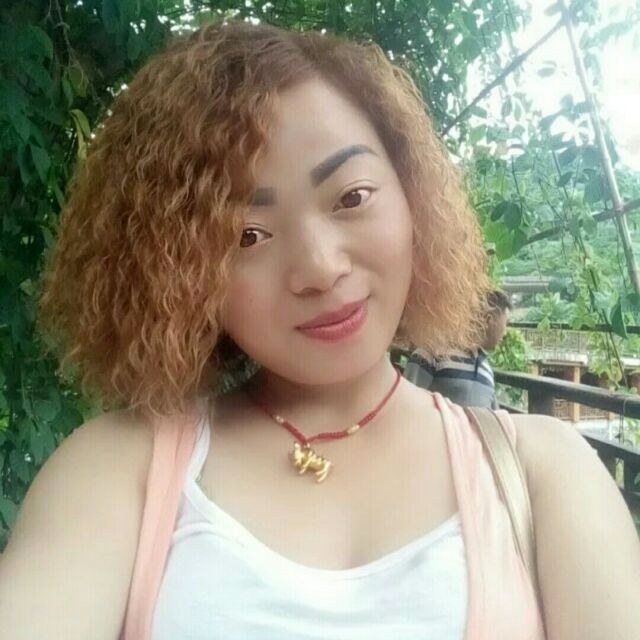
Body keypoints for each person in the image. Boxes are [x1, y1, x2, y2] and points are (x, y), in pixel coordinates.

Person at [1, 19, 639, 640]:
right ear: (179, 271)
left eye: (351, 197)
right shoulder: (120, 469)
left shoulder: (543, 474)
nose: (320, 267)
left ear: (412, 194)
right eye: (245, 236)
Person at [404, 289, 512, 409]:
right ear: (488, 319)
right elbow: (405, 405)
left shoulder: (487, 371)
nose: (505, 333)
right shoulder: (431, 353)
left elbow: (492, 416)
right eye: (506, 324)